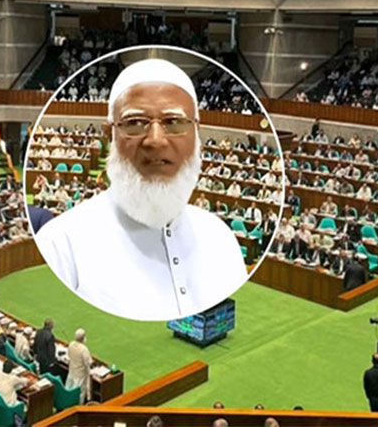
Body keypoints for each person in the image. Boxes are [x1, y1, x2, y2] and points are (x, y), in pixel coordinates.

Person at [35, 59, 246, 321]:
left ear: (196, 132)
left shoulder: (221, 238)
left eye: (174, 121)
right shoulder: (61, 244)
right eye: (135, 122)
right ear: (109, 135)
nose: (156, 140)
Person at [66, 328, 92, 403]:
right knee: (80, 393)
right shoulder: (84, 349)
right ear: (83, 338)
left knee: (69, 389)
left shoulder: (71, 344)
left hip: (72, 371)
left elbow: (69, 355)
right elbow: (88, 362)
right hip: (80, 375)